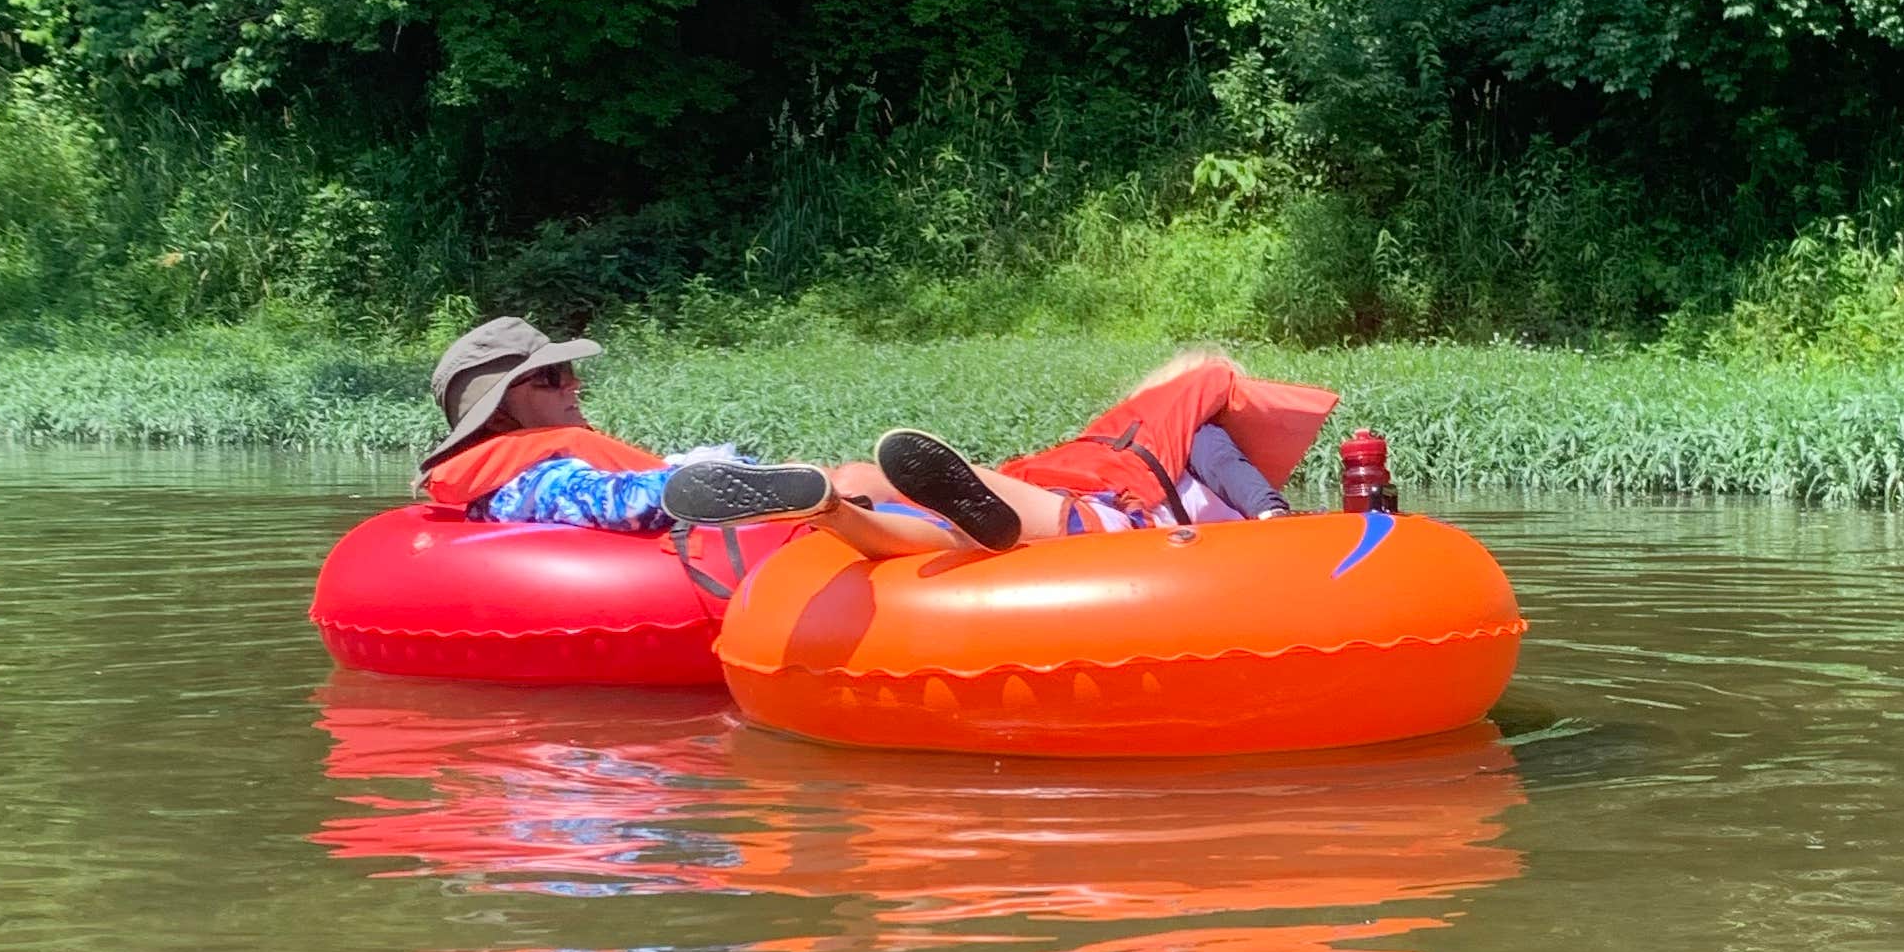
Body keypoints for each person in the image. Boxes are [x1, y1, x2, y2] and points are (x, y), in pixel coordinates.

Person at [418, 319, 1339, 556]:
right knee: (1013, 504)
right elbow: (604, 502)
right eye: (549, 378)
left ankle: (828, 501)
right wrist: (686, 484)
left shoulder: (522, 461)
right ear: (501, 409)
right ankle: (827, 498)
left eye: (569, 370)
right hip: (714, 533)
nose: (572, 384)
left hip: (807, 520)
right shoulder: (524, 476)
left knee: (882, 498)